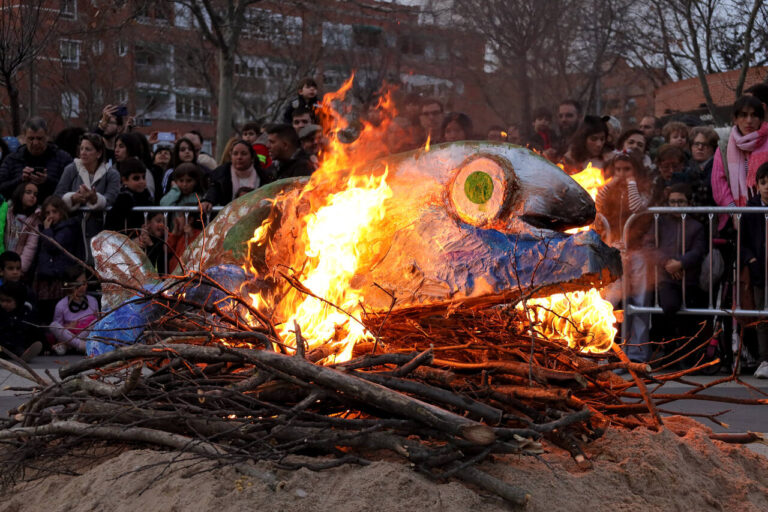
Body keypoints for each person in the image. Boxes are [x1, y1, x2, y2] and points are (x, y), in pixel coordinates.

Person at [595, 153, 654, 363]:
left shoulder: (643, 189)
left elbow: (638, 207)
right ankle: (603, 350)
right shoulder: (608, 190)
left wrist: (631, 183)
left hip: (637, 252)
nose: (621, 174)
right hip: (614, 250)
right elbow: (598, 207)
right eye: (618, 169)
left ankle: (638, 353)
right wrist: (611, 182)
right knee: (608, 301)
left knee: (639, 303)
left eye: (626, 169)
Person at [653, 183, 706, 332]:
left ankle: (686, 350)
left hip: (689, 278)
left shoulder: (696, 226)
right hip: (666, 278)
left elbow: (698, 250)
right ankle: (669, 344)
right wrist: (667, 263)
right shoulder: (660, 222)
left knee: (690, 321)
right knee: (669, 306)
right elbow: (650, 247)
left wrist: (681, 263)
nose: (676, 205)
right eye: (673, 202)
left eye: (681, 202)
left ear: (689, 203)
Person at [711, 95, 768, 231]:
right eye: (743, 115)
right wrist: (734, 212)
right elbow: (719, 184)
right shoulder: (724, 148)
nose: (749, 120)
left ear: (761, 119)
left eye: (754, 115)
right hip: (736, 219)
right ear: (735, 119)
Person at [54, 132, 120, 240]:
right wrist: (72, 198)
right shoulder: (70, 169)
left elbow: (112, 199)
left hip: (102, 232)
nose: (83, 152)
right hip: (73, 230)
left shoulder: (112, 174)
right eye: (81, 149)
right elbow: (57, 196)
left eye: (88, 149)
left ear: (98, 153)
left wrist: (95, 199)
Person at [33, 196, 83, 324]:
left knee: (58, 311)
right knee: (45, 313)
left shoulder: (67, 228)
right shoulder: (46, 229)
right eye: (48, 213)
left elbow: (53, 246)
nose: (51, 216)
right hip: (45, 276)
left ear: (62, 211)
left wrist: (47, 230)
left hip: (58, 277)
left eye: (54, 212)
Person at [0, 117, 73, 201]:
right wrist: (21, 180)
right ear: (24, 137)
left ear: (46, 136)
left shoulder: (63, 158)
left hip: (52, 211)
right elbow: (2, 188)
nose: (35, 143)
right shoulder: (12, 159)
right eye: (31, 139)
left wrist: (47, 181)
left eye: (39, 138)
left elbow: (71, 188)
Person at [740, 162, 768, 378]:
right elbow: (744, 240)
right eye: (763, 182)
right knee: (761, 316)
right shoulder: (751, 208)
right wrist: (751, 258)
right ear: (757, 185)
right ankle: (764, 359)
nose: (767, 187)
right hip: (759, 269)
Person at [201, 140, 273, 213]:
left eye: (244, 154)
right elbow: (214, 190)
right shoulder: (222, 174)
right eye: (235, 154)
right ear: (231, 156)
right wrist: (208, 201)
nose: (239, 157)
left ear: (252, 157)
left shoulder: (263, 176)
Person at [48, 266, 98, 355]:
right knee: (54, 325)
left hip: (86, 335)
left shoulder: (92, 301)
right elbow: (59, 330)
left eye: (84, 283)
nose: (82, 287)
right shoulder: (61, 305)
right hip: (69, 334)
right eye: (78, 285)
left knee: (96, 322)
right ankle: (78, 345)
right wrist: (69, 327)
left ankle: (69, 346)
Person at [106, 157, 154, 234]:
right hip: (127, 240)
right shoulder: (124, 197)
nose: (141, 181)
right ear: (125, 180)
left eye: (143, 177)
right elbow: (113, 223)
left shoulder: (146, 194)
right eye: (136, 178)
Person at [3, 183, 42, 275]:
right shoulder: (7, 212)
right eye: (28, 192)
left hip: (17, 266)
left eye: (35, 194)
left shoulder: (35, 219)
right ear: (19, 193)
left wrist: (20, 269)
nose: (32, 196)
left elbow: (30, 246)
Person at [0, 280, 43, 362]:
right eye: (2, 301)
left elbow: (34, 329)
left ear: (18, 301)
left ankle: (24, 354)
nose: (4, 304)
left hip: (18, 344)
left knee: (19, 349)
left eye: (8, 301)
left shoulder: (26, 310)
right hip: (2, 344)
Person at [114, 132, 158, 201]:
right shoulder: (113, 169)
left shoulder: (142, 170)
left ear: (131, 148)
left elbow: (149, 196)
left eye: (121, 146)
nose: (116, 150)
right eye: (115, 146)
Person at [160, 162, 206, 226]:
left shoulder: (201, 197)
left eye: (189, 181)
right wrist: (175, 190)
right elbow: (163, 205)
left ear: (196, 181)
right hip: (176, 233)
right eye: (181, 181)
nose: (184, 184)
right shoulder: (174, 195)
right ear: (175, 181)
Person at [688, 126, 719, 207]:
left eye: (705, 144)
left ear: (713, 147)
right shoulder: (686, 167)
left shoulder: (719, 168)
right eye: (696, 144)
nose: (700, 147)